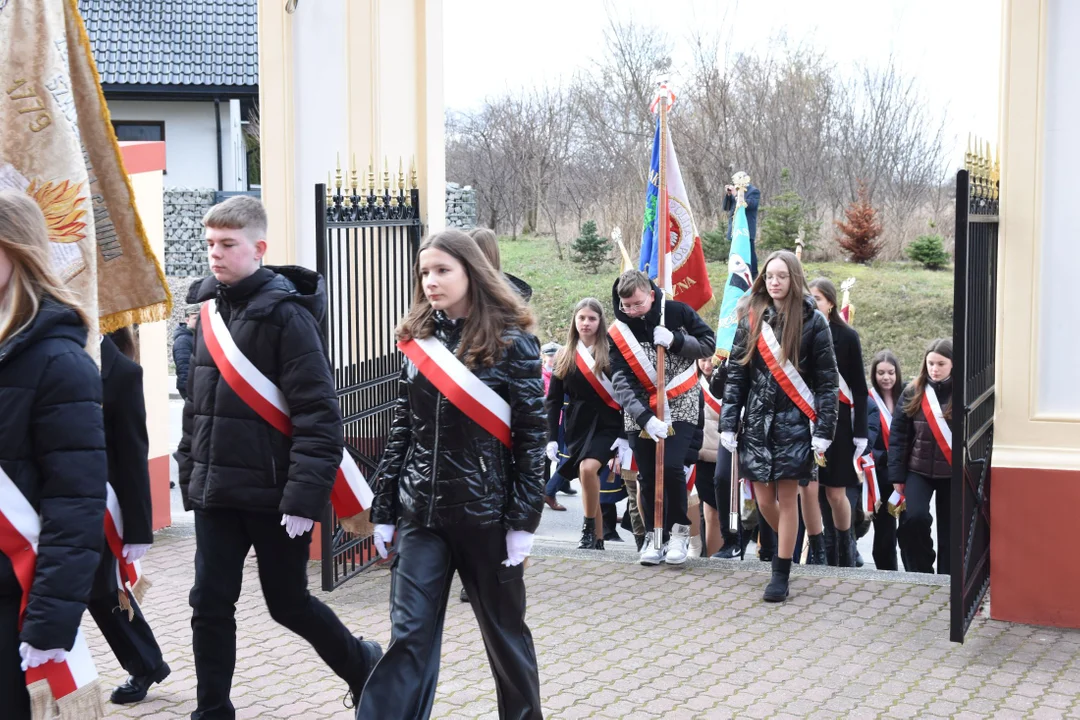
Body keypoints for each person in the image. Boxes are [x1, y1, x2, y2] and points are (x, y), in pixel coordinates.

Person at [175, 195, 381, 718]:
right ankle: (212, 710)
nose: (215, 255)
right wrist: (189, 470)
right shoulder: (207, 313)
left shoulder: (288, 317)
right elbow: (197, 407)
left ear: (258, 248)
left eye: (227, 244)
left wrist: (303, 499)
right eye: (210, 245)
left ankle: (363, 664)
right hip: (217, 492)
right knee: (209, 603)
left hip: (275, 497)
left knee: (287, 604)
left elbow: (318, 416)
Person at [361, 229, 544, 720]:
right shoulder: (417, 338)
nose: (431, 281)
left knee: (505, 639)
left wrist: (522, 523)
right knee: (409, 637)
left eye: (442, 270)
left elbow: (531, 441)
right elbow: (402, 428)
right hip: (421, 514)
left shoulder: (515, 343)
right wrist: (384, 509)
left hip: (488, 517)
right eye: (425, 272)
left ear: (471, 272)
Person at [0, 190, 107, 719]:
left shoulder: (60, 362)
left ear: (17, 251)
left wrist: (47, 625)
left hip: (13, 604)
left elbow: (75, 505)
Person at [720, 250, 838, 602]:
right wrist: (729, 422)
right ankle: (791, 542)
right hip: (756, 423)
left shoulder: (814, 322)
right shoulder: (752, 318)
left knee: (787, 498)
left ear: (794, 278)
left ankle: (780, 572)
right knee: (763, 500)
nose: (774, 282)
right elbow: (737, 374)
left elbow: (827, 383)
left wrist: (823, 431)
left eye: (782, 276)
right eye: (770, 276)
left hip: (795, 422)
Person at [608, 270, 716, 566]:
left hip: (680, 402)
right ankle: (656, 539)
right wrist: (644, 417)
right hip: (641, 411)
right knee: (648, 476)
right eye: (626, 305)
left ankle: (679, 532)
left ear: (651, 295)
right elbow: (620, 379)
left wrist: (677, 340)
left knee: (670, 467)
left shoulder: (678, 312)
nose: (630, 311)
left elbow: (708, 343)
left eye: (637, 304)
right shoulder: (618, 331)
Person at [88, 329, 170, 705]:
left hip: (99, 505)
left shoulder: (121, 372)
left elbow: (133, 453)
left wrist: (138, 528)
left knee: (102, 591)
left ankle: (144, 663)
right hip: (45, 496)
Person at [547, 298, 623, 550]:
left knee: (588, 469)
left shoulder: (612, 352)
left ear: (600, 322)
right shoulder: (564, 355)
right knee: (584, 477)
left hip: (608, 423)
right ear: (574, 321)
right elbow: (554, 400)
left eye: (592, 318)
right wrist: (550, 437)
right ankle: (597, 537)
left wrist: (625, 435)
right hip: (577, 426)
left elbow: (625, 396)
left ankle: (588, 528)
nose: (586, 323)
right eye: (582, 318)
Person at [802, 278, 869, 567]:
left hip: (839, 423)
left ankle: (846, 544)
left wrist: (861, 432)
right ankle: (820, 548)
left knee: (836, 491)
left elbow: (859, 387)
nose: (812, 303)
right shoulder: (801, 331)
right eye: (809, 298)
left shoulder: (847, 337)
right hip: (808, 419)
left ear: (830, 302)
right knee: (810, 488)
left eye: (817, 298)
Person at [889, 339, 953, 575]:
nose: (934, 369)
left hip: (951, 472)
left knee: (950, 530)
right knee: (914, 519)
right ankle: (922, 570)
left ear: (953, 364)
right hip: (918, 470)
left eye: (941, 364)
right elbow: (898, 437)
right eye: (930, 363)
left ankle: (948, 576)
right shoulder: (912, 391)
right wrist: (896, 475)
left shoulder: (964, 391)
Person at [866, 350, 903, 571]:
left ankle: (916, 572)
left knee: (909, 527)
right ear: (874, 374)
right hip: (879, 474)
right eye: (881, 373)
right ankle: (887, 572)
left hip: (905, 474)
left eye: (890, 372)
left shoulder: (907, 397)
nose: (886, 377)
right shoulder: (868, 399)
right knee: (884, 530)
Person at [695, 356, 724, 557]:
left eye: (711, 360)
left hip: (723, 455)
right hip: (699, 454)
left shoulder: (729, 382)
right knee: (704, 510)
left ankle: (715, 556)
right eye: (703, 360)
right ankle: (703, 555)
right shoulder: (692, 383)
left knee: (715, 511)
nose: (707, 365)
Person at [722, 172, 761, 278]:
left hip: (747, 228)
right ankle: (736, 272)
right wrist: (729, 195)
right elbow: (726, 207)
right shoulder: (735, 191)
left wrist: (736, 195)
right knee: (736, 250)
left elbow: (751, 205)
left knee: (749, 251)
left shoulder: (754, 191)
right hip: (735, 226)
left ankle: (753, 274)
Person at [173, 307, 198, 400]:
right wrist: (189, 393)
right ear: (187, 320)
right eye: (195, 318)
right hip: (191, 389)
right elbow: (184, 368)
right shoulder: (183, 340)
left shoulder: (195, 336)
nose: (199, 321)